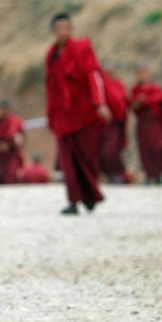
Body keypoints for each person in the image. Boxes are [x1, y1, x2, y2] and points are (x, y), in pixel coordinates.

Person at [44, 12, 111, 214]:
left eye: (66, 28)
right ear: (53, 31)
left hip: (83, 113)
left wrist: (99, 103)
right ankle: (73, 201)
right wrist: (51, 112)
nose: (63, 32)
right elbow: (50, 86)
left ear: (71, 30)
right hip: (63, 116)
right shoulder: (51, 55)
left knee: (87, 158)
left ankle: (90, 196)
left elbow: (94, 75)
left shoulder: (82, 49)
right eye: (59, 28)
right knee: (67, 161)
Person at [129, 63, 162, 184]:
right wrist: (139, 101)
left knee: (158, 148)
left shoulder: (155, 88)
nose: (142, 75)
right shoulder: (135, 89)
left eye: (144, 72)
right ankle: (149, 175)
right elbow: (132, 107)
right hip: (142, 123)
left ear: (148, 74)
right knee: (145, 150)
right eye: (140, 73)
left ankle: (159, 175)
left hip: (155, 123)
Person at [99, 63, 130, 184]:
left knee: (112, 149)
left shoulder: (118, 84)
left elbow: (123, 102)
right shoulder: (100, 85)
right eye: (107, 71)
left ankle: (116, 174)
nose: (109, 73)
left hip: (115, 123)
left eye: (111, 71)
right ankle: (106, 174)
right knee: (102, 150)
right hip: (102, 123)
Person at [0, 99, 25, 184]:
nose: (3, 112)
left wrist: (11, 144)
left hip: (11, 154)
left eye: (5, 110)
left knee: (11, 176)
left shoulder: (15, 121)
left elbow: (21, 137)